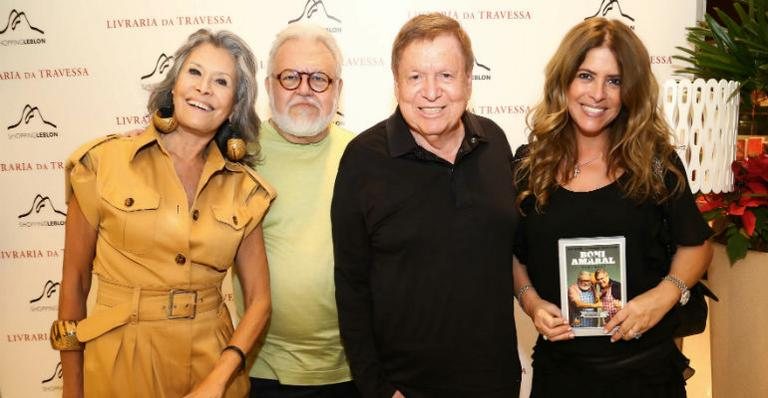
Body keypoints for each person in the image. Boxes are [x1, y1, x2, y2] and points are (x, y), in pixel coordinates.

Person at [51, 29, 274, 398]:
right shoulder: (102, 164)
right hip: (119, 361)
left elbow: (260, 300)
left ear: (234, 104)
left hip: (213, 366)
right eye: (194, 73)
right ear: (173, 86)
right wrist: (72, 387)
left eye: (221, 81)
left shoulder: (245, 189)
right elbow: (74, 282)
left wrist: (219, 380)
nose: (204, 88)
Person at [511, 18, 712, 397]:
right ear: (564, 81)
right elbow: (512, 255)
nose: (598, 93)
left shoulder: (656, 165)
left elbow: (697, 244)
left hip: (646, 374)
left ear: (630, 91)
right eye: (586, 76)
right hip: (561, 375)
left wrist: (662, 297)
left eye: (614, 80)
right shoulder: (528, 168)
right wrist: (532, 303)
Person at [331, 13, 521, 398]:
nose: (430, 92)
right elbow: (351, 286)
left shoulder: (496, 142)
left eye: (446, 76)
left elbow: (516, 251)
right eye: (415, 77)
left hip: (495, 381)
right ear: (397, 83)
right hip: (406, 388)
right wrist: (379, 389)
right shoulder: (363, 159)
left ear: (469, 80)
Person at [232, 23, 359, 398]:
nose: (304, 89)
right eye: (290, 77)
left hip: (355, 371)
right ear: (268, 85)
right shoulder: (237, 157)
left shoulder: (366, 157)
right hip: (264, 370)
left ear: (338, 89)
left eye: (319, 78)